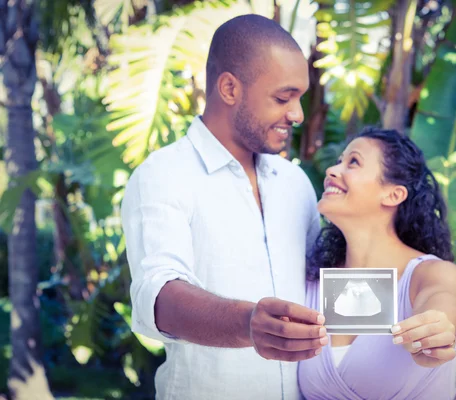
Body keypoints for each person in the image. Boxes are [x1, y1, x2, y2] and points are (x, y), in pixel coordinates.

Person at [121, 14, 329, 400]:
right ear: (230, 88)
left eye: (299, 98)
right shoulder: (162, 175)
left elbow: (324, 285)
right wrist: (248, 323)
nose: (298, 114)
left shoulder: (296, 183)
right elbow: (158, 296)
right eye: (283, 98)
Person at [298, 128, 456, 399]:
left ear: (393, 195)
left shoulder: (430, 273)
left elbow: (440, 302)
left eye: (353, 162)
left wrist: (437, 328)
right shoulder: (313, 283)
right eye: (340, 160)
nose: (331, 170)